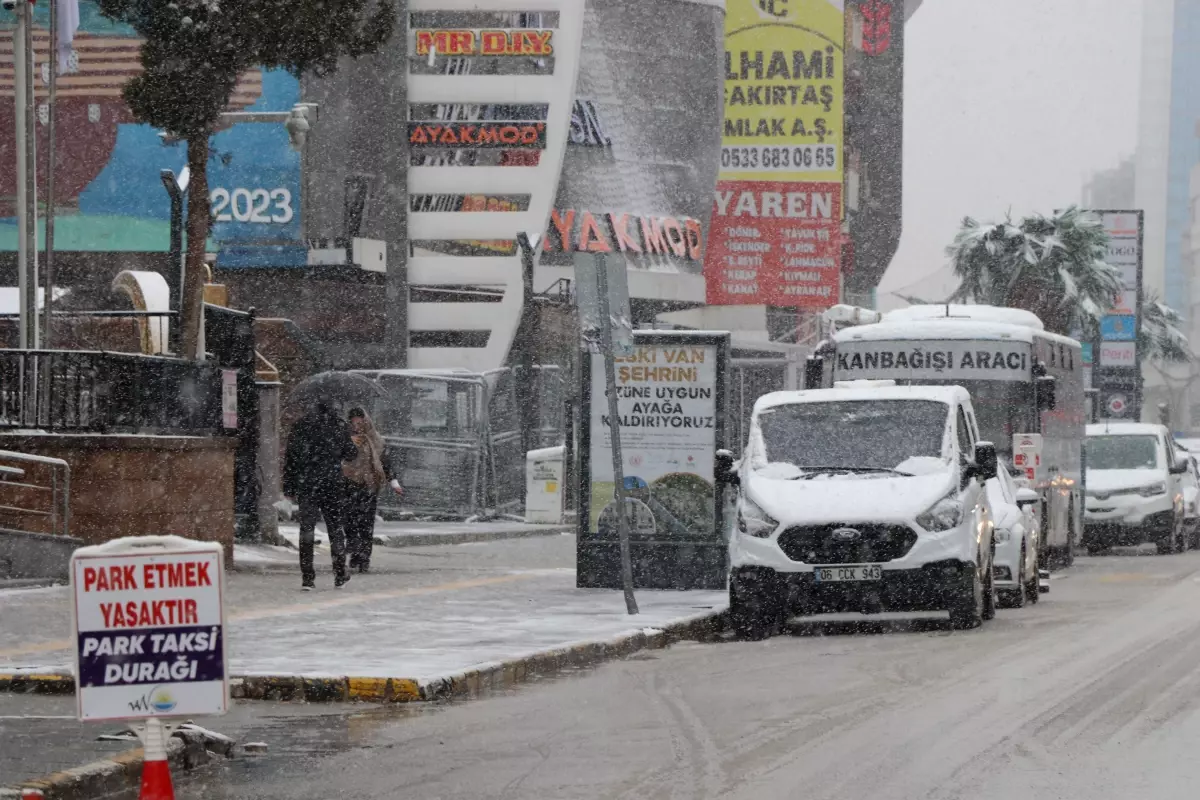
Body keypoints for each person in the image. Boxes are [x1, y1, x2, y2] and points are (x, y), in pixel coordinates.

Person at [283, 400, 359, 590]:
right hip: (332, 484)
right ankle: (340, 573)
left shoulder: (301, 426)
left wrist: (289, 488)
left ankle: (308, 578)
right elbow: (351, 454)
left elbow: (291, 458)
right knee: (335, 529)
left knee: (306, 530)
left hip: (307, 484)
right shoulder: (338, 426)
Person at [343, 407, 402, 573]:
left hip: (369, 486)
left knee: (366, 523)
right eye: (353, 421)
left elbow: (385, 463)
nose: (356, 424)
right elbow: (339, 458)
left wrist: (394, 482)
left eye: (359, 420)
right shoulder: (345, 438)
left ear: (366, 421)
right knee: (349, 520)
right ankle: (354, 551)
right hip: (348, 484)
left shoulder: (377, 440)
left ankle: (364, 557)